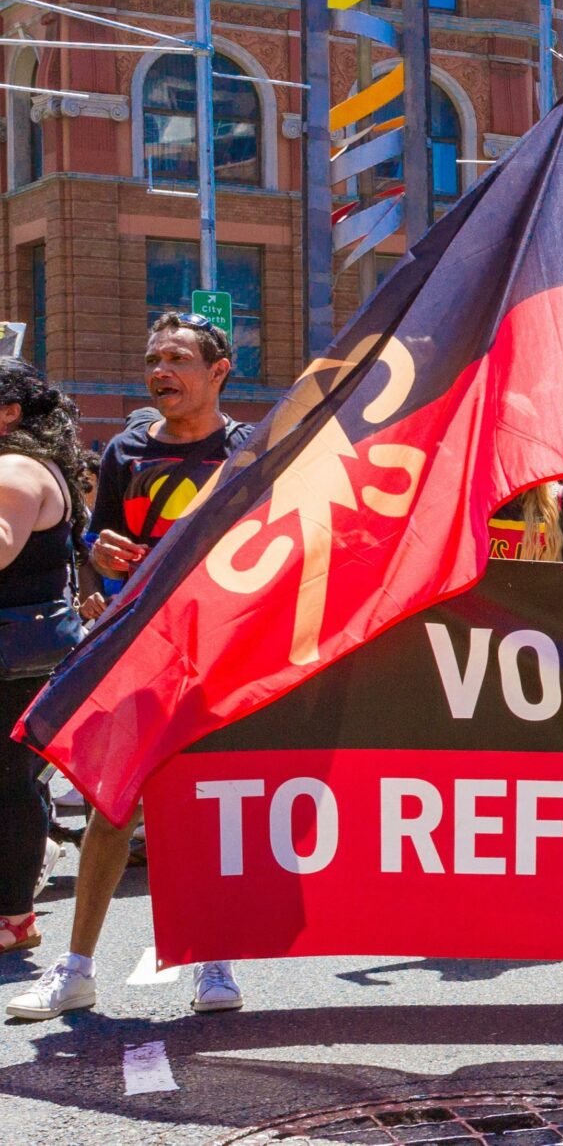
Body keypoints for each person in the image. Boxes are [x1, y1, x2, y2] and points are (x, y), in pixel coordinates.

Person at [10, 312, 256, 1022]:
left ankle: (217, 962)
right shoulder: (123, 449)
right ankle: (78, 969)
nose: (160, 371)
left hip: (219, 649)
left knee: (212, 803)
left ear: (218, 371)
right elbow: (98, 538)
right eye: (153, 358)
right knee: (112, 800)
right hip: (138, 648)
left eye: (177, 357)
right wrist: (98, 551)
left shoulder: (248, 449)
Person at [0, 361, 85, 965]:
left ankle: (12, 916)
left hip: (10, 658)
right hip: (25, 653)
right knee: (11, 783)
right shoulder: (37, 465)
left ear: (9, 412)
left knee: (7, 785)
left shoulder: (14, 470)